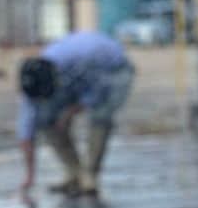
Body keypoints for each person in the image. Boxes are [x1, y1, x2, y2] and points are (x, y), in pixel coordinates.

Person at [17, 31, 135, 198]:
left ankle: (90, 175)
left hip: (112, 70)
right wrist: (29, 175)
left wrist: (71, 112)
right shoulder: (32, 85)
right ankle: (74, 172)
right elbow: (26, 132)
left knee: (100, 114)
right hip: (77, 78)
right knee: (45, 119)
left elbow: (97, 92)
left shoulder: (85, 57)